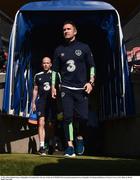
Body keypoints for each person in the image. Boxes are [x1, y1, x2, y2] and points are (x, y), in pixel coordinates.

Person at [52, 21, 96, 157]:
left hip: (81, 88)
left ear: (75, 32)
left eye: (68, 29)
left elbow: (92, 66)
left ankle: (80, 138)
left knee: (83, 117)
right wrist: (54, 86)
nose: (66, 31)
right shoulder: (59, 50)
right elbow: (54, 70)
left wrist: (91, 82)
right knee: (67, 117)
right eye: (64, 29)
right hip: (66, 88)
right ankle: (70, 146)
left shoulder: (84, 47)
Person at [32, 56, 56, 155]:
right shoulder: (37, 75)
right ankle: (41, 146)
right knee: (41, 123)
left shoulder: (55, 75)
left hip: (52, 103)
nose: (46, 64)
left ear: (51, 64)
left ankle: (50, 143)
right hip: (41, 102)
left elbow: (59, 88)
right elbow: (35, 89)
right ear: (42, 64)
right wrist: (33, 102)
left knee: (50, 125)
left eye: (47, 63)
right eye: (44, 63)